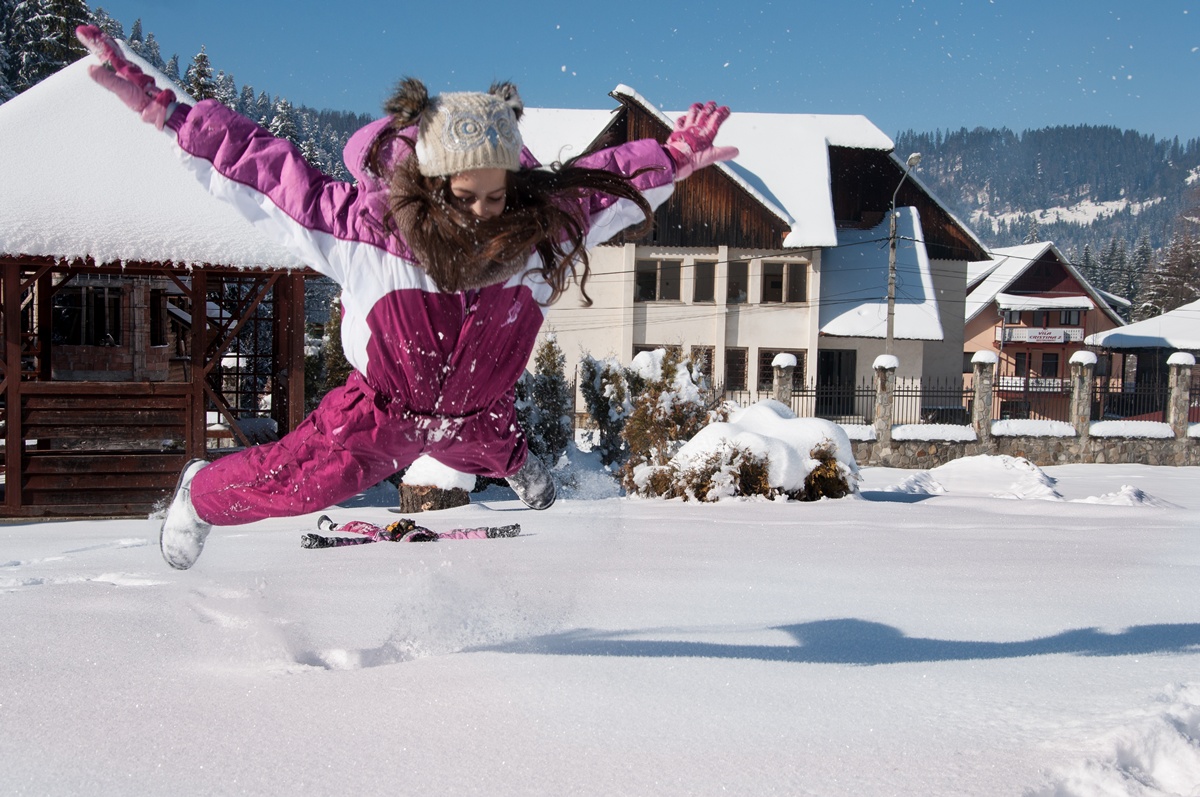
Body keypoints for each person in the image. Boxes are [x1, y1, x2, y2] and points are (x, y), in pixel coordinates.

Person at [75, 26, 739, 570]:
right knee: (296, 482)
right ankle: (202, 496)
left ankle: (520, 468)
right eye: (464, 195)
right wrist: (166, 111)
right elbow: (265, 170)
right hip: (381, 415)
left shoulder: (537, 236)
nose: (482, 212)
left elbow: (599, 191)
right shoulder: (369, 236)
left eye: (496, 194)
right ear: (434, 181)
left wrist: (671, 157)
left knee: (492, 439)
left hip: (480, 408)